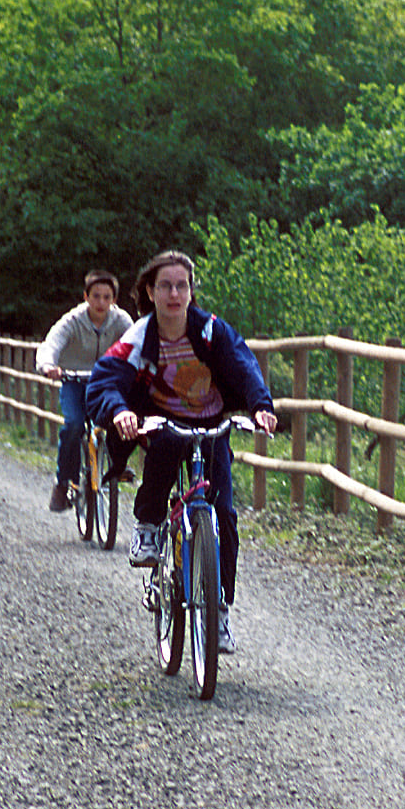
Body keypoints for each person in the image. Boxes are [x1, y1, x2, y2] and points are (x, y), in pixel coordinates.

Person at [87, 250, 279, 652]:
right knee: (165, 448)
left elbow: (243, 364)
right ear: (150, 292)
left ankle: (220, 613)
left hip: (211, 425)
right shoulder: (139, 338)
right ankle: (149, 525)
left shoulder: (210, 331)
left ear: (192, 291)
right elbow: (106, 379)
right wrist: (120, 411)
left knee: (224, 513)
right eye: (165, 286)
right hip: (163, 420)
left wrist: (260, 405)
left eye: (182, 285)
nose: (174, 293)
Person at [35, 269, 135, 514]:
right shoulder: (73, 320)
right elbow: (52, 343)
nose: (101, 302)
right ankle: (62, 482)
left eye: (107, 297)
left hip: (105, 382)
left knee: (118, 417)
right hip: (73, 379)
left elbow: (137, 343)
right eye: (96, 296)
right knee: (73, 424)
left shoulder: (121, 321)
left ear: (114, 299)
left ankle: (117, 464)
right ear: (86, 296)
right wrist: (48, 365)